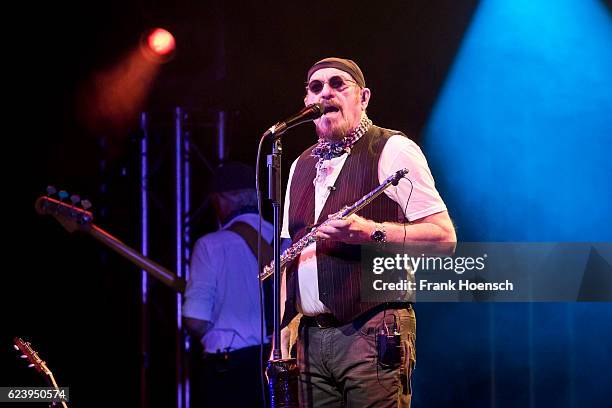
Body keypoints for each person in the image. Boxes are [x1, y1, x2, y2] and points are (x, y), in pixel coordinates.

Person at [277, 57, 456, 407]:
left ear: (364, 97)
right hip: (310, 340)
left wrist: (371, 232)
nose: (325, 92)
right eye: (316, 87)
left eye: (337, 84)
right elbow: (290, 253)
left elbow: (443, 236)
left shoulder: (392, 149)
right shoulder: (300, 164)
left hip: (372, 330)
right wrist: (283, 326)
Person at [183, 161, 272, 408]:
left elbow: (195, 320)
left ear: (222, 200)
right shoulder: (281, 240)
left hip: (228, 369)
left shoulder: (210, 245)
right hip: (275, 364)